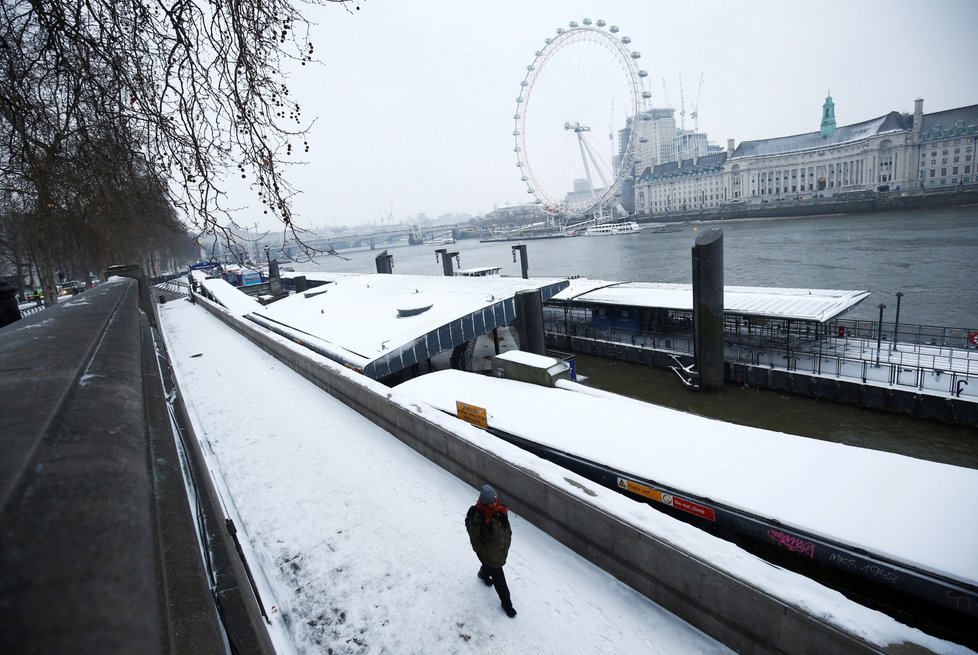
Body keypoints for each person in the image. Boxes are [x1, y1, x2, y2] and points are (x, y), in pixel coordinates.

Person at [465, 484, 517, 618]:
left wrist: (508, 537)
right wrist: (486, 553)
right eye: (491, 502)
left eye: (495, 500)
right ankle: (507, 604)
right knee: (500, 580)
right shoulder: (479, 518)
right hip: (488, 554)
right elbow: (475, 540)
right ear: (484, 503)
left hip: (499, 551)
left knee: (490, 567)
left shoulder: (500, 511)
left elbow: (506, 527)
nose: (495, 503)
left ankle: (482, 574)